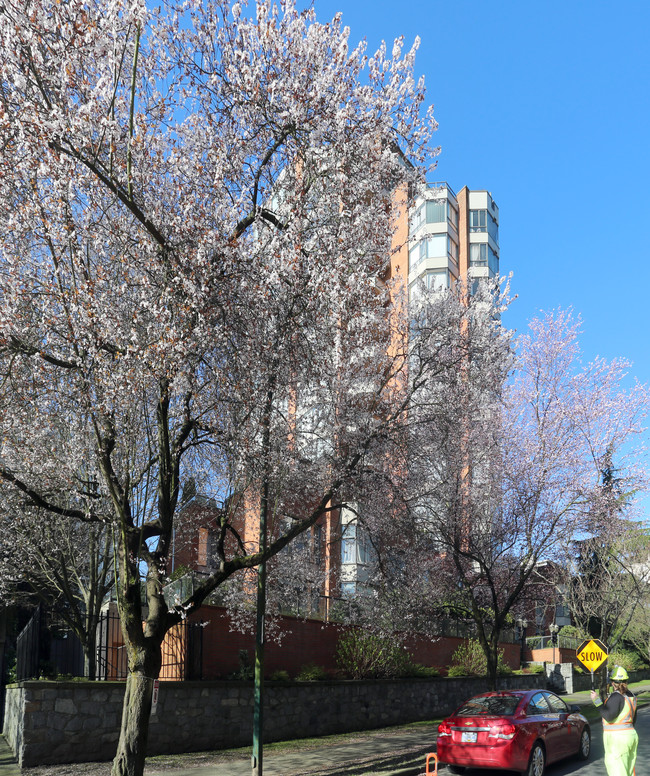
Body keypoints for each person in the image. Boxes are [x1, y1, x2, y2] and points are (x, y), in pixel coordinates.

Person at [591, 665, 638, 776]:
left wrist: (596, 701)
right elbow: (633, 719)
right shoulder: (631, 696)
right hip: (631, 736)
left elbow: (608, 716)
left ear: (612, 683)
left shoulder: (617, 697)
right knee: (629, 772)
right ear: (626, 681)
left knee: (617, 771)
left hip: (618, 741)